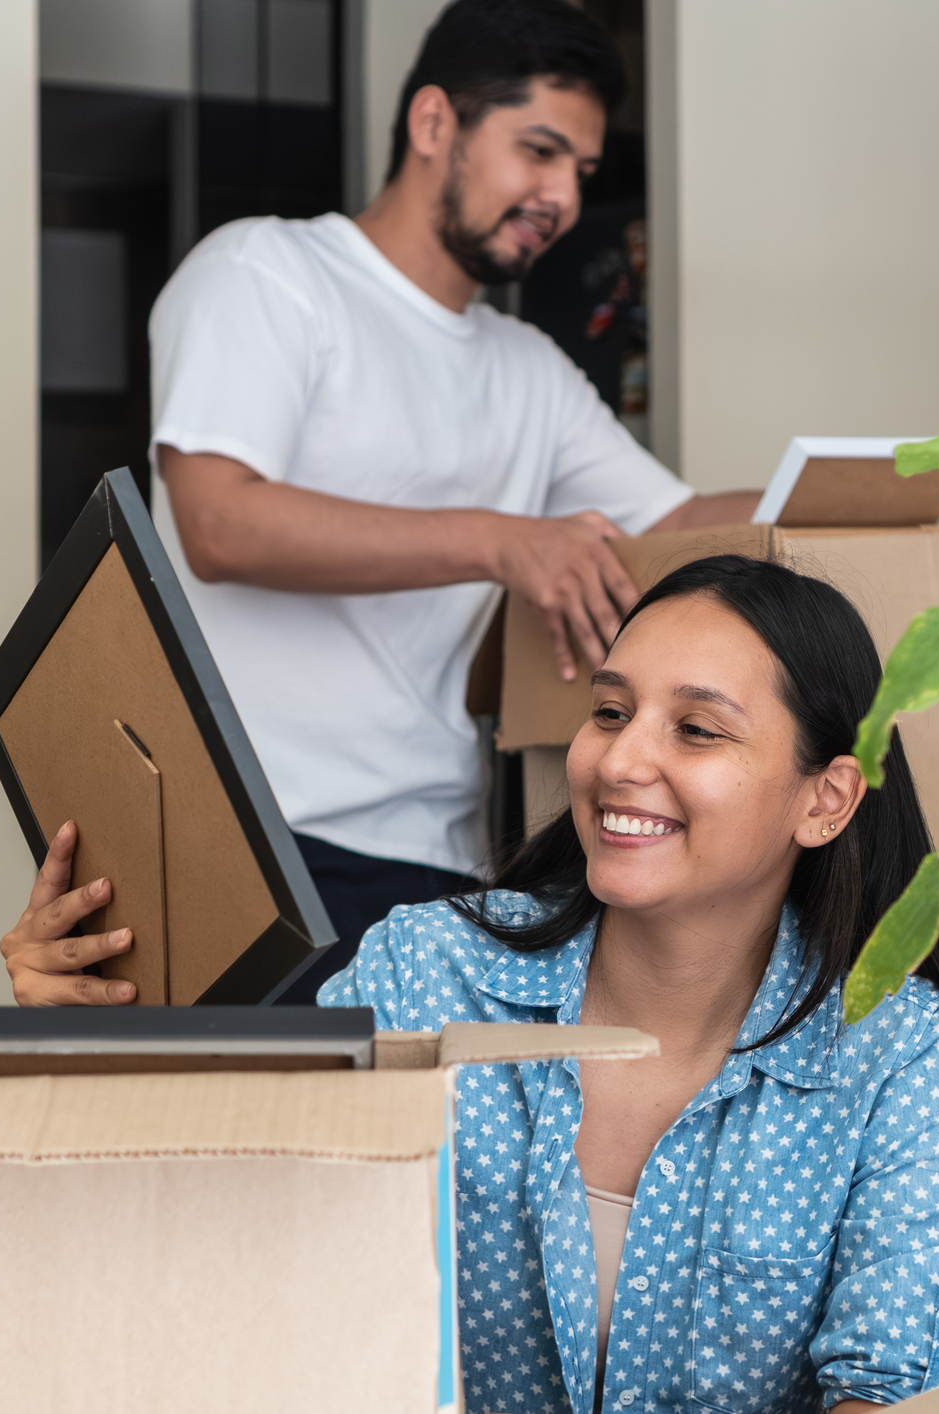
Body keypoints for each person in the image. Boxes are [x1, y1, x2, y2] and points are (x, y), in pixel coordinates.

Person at [0, 556, 939, 1411]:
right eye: (610, 710)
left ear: (826, 799)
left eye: (695, 729)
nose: (622, 758)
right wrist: (77, 1044)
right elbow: (232, 1230)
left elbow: (892, 1387)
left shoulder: (899, 1051)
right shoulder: (425, 970)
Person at [141, 0, 758, 1002]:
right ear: (436, 125)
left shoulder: (529, 368)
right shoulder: (267, 274)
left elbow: (680, 524)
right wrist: (500, 541)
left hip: (445, 863)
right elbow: (219, 521)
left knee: (420, 1160)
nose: (560, 197)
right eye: (540, 151)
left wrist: (882, 486)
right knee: (271, 1153)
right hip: (254, 846)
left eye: (582, 174)